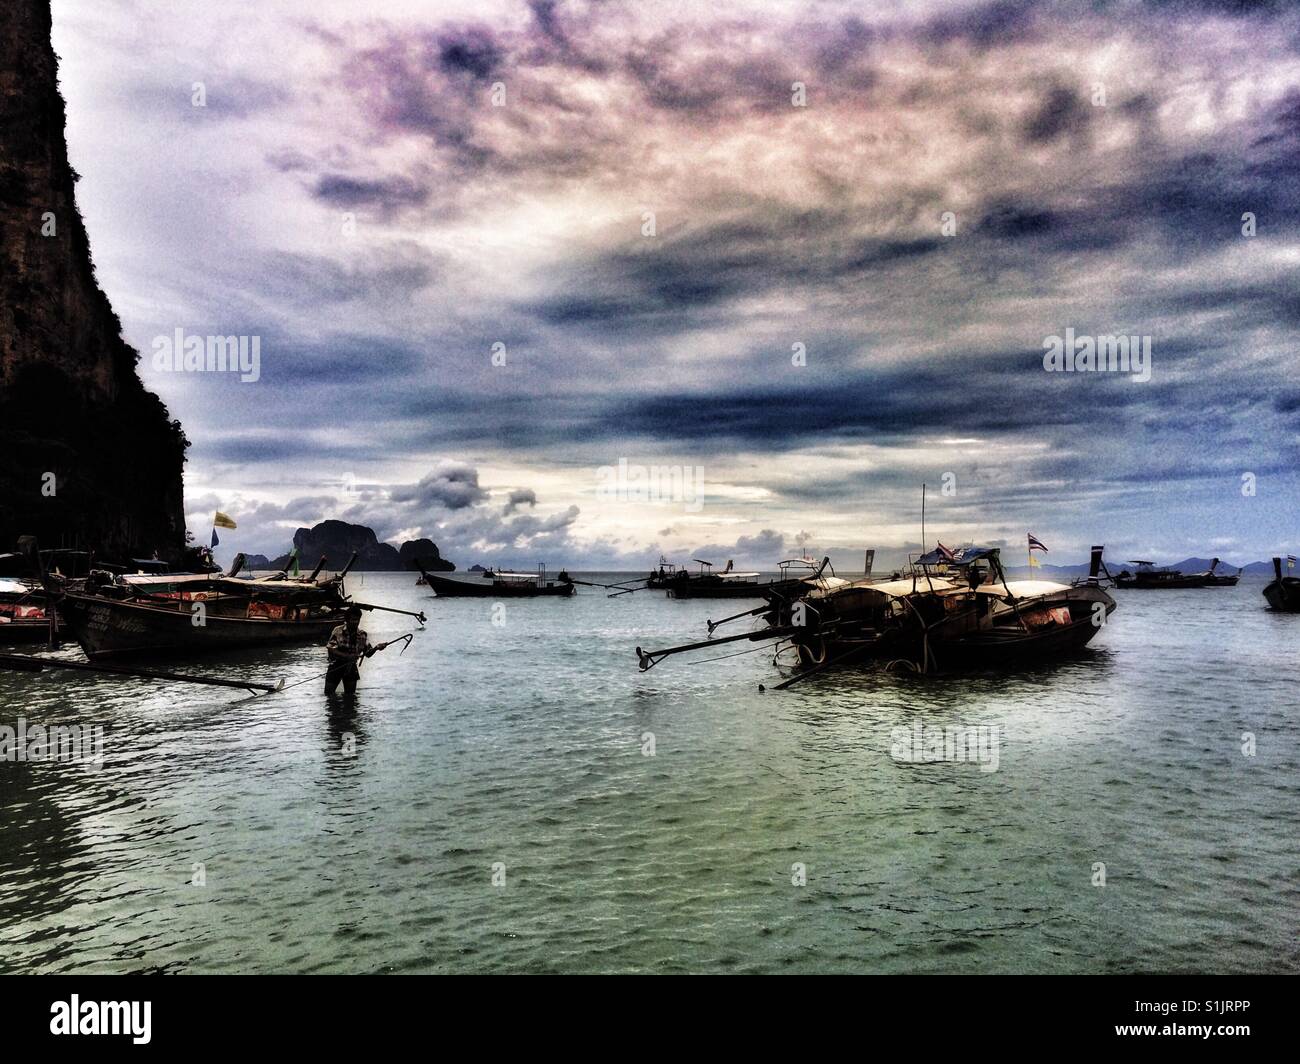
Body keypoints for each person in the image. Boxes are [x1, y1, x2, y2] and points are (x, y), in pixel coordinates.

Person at [325, 606, 373, 695]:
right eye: (353, 620)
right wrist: (347, 656)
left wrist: (377, 648)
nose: (356, 622)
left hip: (351, 667)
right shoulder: (338, 630)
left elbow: (368, 654)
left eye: (357, 620)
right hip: (336, 666)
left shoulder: (362, 635)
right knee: (329, 695)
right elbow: (330, 648)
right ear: (347, 620)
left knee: (351, 697)